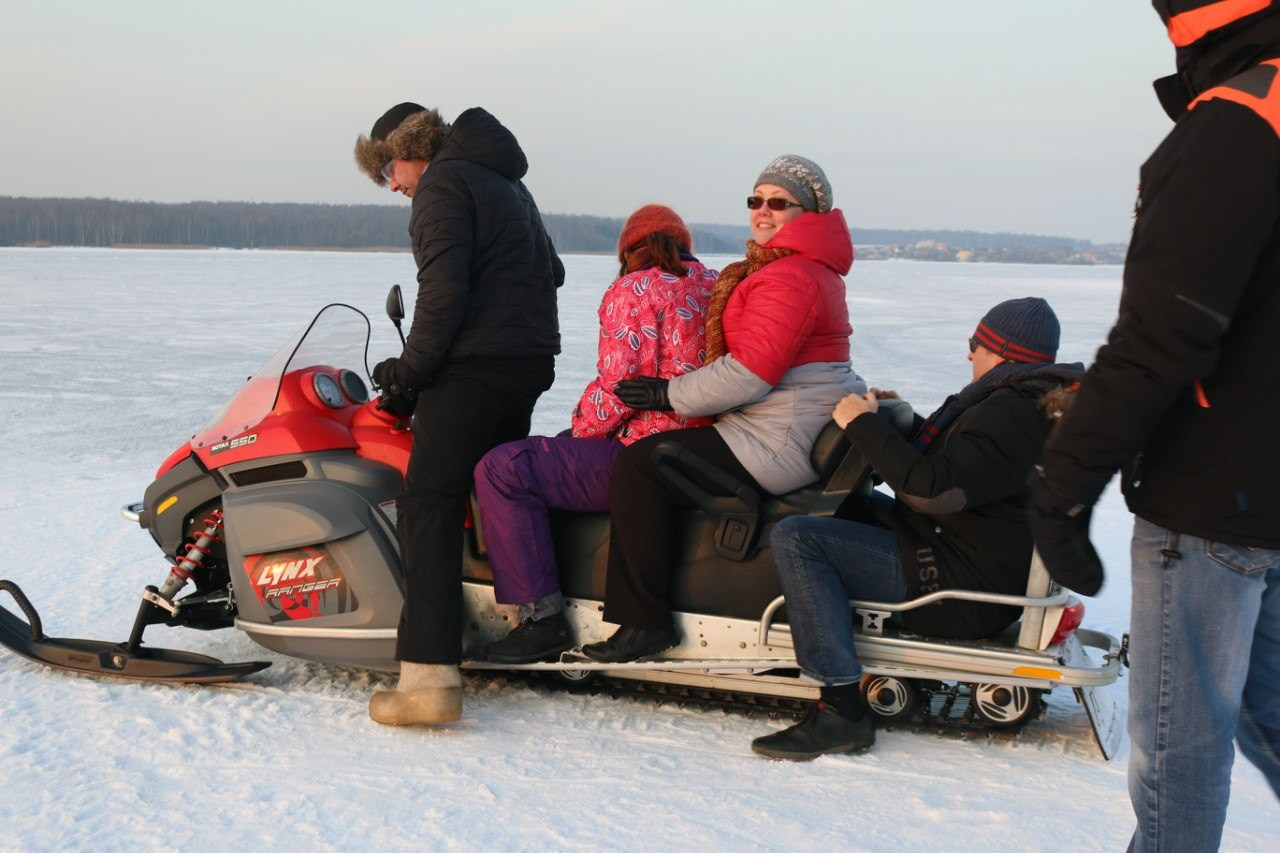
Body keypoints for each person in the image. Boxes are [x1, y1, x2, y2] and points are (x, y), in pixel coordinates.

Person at [1028, 3, 1280, 848]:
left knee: (1181, 764)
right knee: (1265, 711)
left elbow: (1164, 334)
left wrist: (1065, 481)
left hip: (1211, 503)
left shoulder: (1235, 125)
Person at [750, 298, 1083, 760]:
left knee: (800, 538)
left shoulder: (1009, 411)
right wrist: (897, 422)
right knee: (850, 511)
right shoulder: (1025, 403)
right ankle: (830, 641)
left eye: (976, 344)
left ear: (1002, 351)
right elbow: (966, 467)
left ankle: (840, 709)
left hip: (959, 586)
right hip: (969, 553)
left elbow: (933, 491)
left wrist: (865, 426)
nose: (969, 355)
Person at [579, 154, 865, 663]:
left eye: (779, 203)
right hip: (788, 422)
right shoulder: (797, 268)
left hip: (776, 436)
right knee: (662, 457)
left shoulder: (790, 276)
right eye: (756, 200)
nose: (764, 210)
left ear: (811, 212)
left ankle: (643, 622)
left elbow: (752, 372)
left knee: (644, 465)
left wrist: (669, 394)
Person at [352, 102, 563, 726]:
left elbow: (441, 293)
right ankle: (517, 621)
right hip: (527, 361)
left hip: (475, 368)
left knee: (427, 506)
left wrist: (410, 372)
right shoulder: (505, 180)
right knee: (492, 489)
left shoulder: (443, 183)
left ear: (413, 148)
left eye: (390, 166)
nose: (393, 184)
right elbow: (549, 271)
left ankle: (427, 681)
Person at [473, 205, 717, 664]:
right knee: (556, 447)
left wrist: (579, 429)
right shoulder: (715, 285)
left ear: (629, 249)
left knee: (505, 468)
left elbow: (620, 388)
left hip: (643, 452)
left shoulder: (634, 289)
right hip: (703, 449)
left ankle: (539, 620)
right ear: (684, 244)